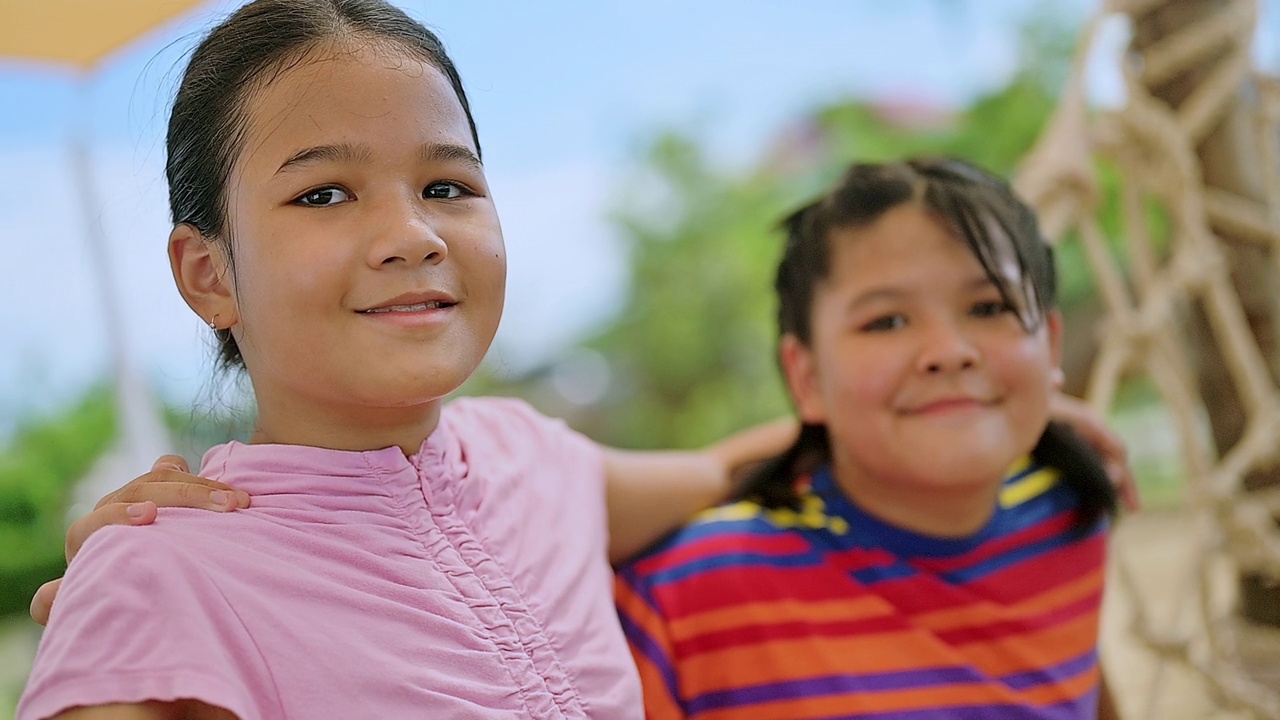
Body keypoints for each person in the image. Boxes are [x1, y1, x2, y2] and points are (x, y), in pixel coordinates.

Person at [16, 2, 793, 718]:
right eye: (324, 194)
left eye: (447, 184)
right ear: (209, 275)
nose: (413, 234)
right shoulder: (156, 577)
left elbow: (726, 472)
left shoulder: (534, 458)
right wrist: (123, 582)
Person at [614, 158, 1122, 719]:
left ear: (1050, 345)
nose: (948, 350)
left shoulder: (1072, 512)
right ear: (806, 378)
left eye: (988, 307)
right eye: (887, 322)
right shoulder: (692, 591)